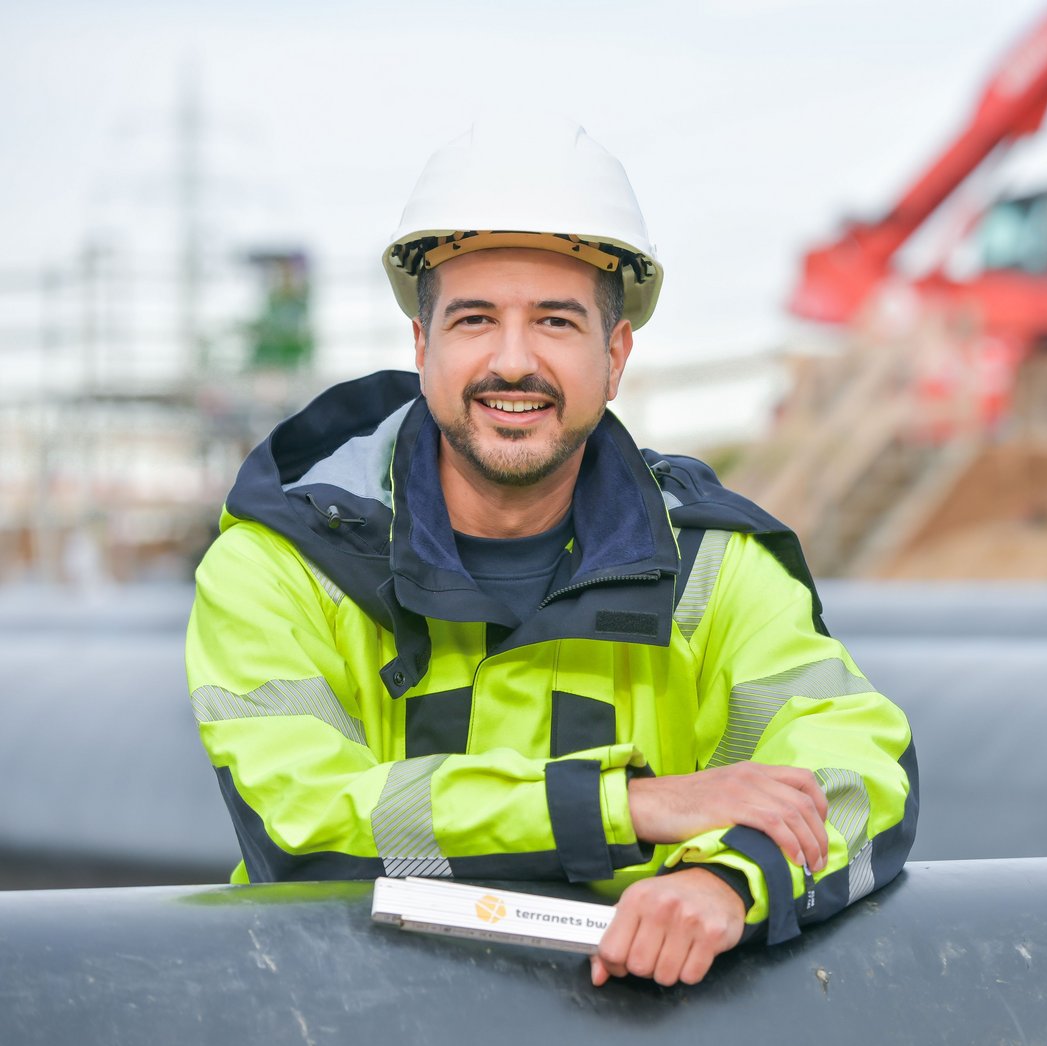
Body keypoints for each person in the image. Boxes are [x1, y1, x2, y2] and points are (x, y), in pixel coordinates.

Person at [185, 118, 917, 988]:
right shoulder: (283, 568)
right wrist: (631, 808)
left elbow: (855, 765)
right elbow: (306, 829)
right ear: (423, 348)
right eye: (474, 319)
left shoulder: (709, 567)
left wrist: (732, 876)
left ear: (615, 354)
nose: (512, 360)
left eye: (557, 322)